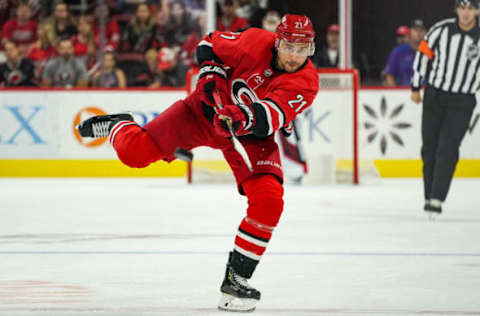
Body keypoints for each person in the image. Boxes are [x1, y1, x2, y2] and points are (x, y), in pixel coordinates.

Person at [77, 14, 318, 312]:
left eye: (302, 49)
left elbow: (269, 116)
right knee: (134, 154)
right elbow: (209, 42)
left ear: (311, 49)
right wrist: (211, 76)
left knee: (269, 200)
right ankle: (119, 125)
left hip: (249, 137)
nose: (295, 56)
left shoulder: (306, 81)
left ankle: (236, 280)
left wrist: (240, 116)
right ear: (277, 41)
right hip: (200, 114)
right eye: (289, 47)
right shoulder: (254, 40)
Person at [411, 0, 480, 215]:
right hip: (435, 96)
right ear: (456, 9)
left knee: (448, 148)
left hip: (463, 100)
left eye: (470, 8)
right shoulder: (441, 30)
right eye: (462, 8)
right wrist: (416, 86)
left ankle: (437, 198)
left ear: (477, 11)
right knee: (429, 147)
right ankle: (429, 193)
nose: (466, 13)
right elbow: (423, 55)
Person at [384, 19, 427, 86]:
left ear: (426, 32)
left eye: (421, 30)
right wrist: (394, 93)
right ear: (410, 32)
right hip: (403, 92)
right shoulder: (398, 51)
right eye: (415, 30)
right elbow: (390, 75)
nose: (418, 33)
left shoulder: (432, 51)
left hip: (426, 92)